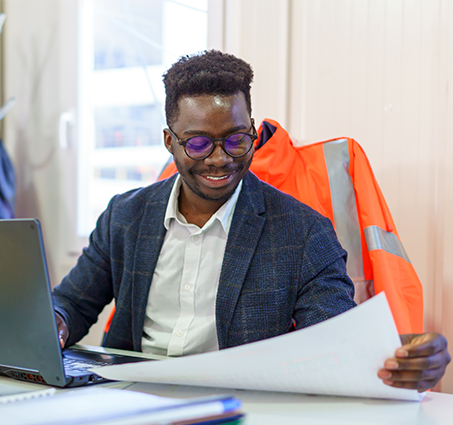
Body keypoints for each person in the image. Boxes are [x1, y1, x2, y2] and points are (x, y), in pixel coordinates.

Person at [52, 49, 450, 393]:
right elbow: (72, 302)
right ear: (169, 141)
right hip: (128, 403)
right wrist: (55, 323)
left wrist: (400, 355)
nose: (220, 158)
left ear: (253, 134)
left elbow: (336, 340)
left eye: (236, 139)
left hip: (238, 412)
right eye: (198, 143)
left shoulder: (303, 232)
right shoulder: (125, 216)